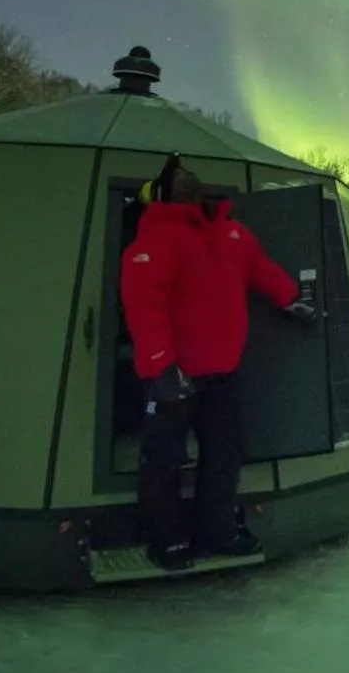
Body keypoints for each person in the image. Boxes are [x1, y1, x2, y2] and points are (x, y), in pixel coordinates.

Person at [120, 153, 318, 570]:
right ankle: (167, 540)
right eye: (179, 180)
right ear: (160, 197)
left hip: (221, 373)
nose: (189, 181)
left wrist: (289, 299)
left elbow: (260, 269)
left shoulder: (231, 234)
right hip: (172, 375)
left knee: (224, 455)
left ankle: (217, 531)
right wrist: (160, 366)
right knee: (163, 459)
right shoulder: (157, 240)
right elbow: (144, 304)